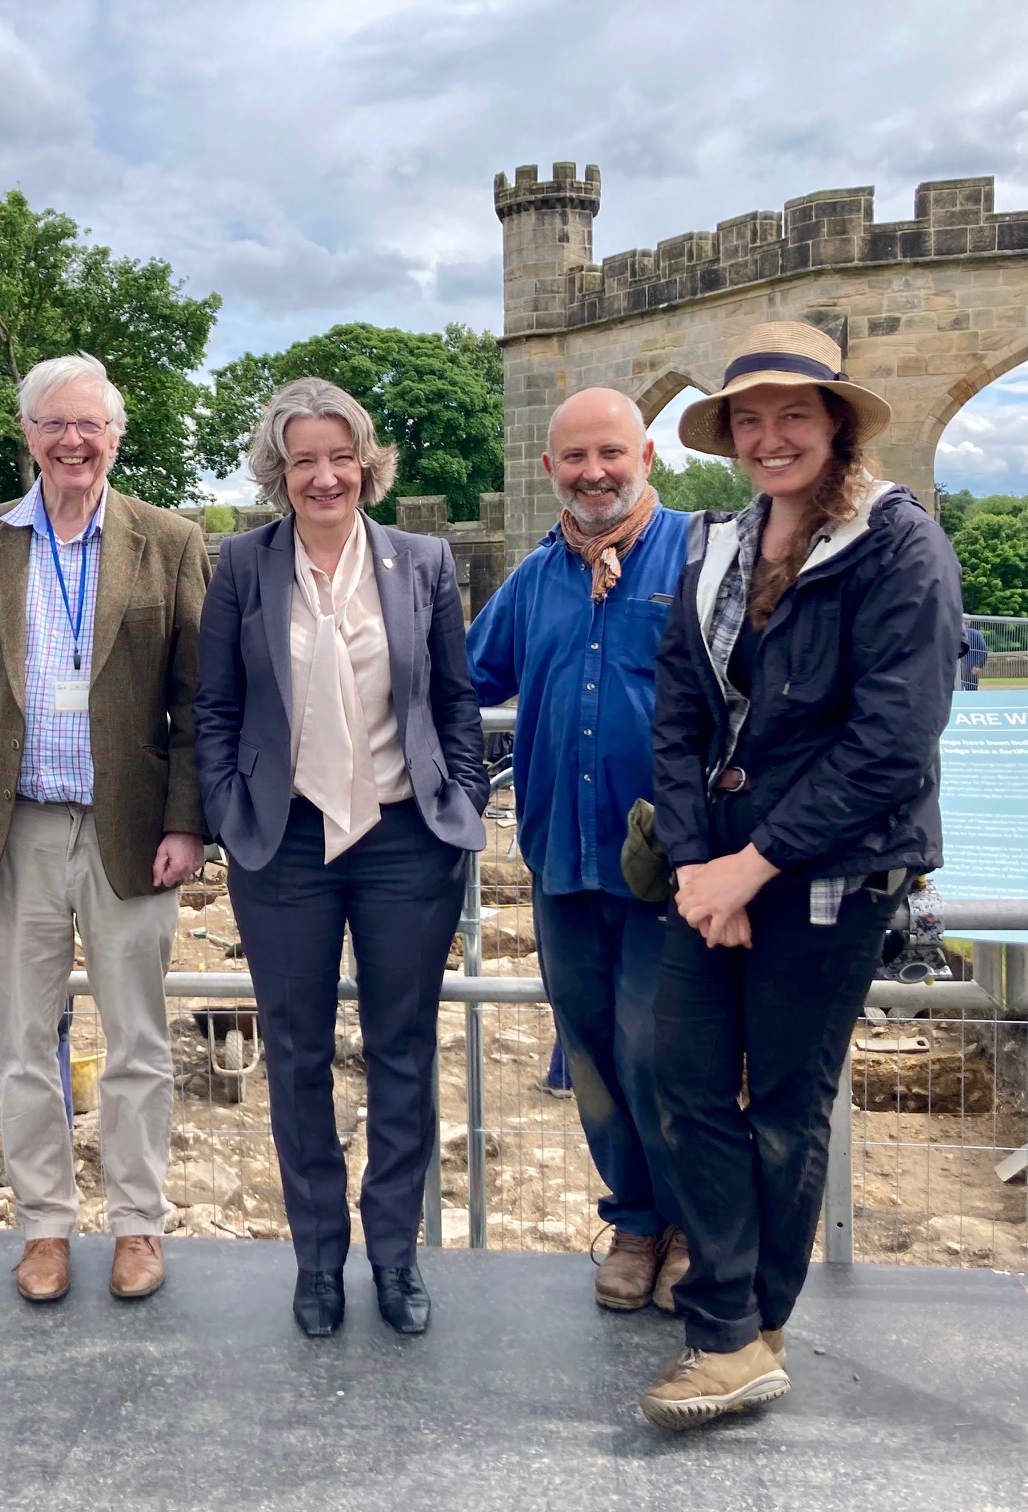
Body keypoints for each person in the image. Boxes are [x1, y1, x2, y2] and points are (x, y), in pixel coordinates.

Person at [640, 321, 961, 1429]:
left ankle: (739, 1331)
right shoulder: (718, 547)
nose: (770, 436)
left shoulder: (895, 546)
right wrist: (697, 866)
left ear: (834, 424)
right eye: (750, 419)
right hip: (717, 872)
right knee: (679, 1082)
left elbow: (892, 740)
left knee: (783, 1104)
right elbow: (679, 713)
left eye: (793, 414)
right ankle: (733, 1315)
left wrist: (751, 867)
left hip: (825, 879)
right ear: (729, 435)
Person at [196, 377, 487, 1337]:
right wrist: (230, 809)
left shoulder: (422, 561)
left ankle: (395, 1255)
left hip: (405, 839)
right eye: (302, 460)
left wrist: (465, 799)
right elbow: (216, 707)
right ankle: (317, 1258)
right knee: (298, 1054)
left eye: (340, 456)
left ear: (367, 462)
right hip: (284, 844)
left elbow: (454, 696)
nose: (324, 476)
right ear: (278, 474)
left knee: (404, 1050)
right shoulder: (240, 564)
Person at [0, 352, 207, 1305]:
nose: (73, 441)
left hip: (131, 828)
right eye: (54, 424)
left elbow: (193, 697)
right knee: (22, 1044)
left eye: (90, 425)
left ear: (116, 437)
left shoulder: (167, 541)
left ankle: (137, 1224)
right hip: (13, 829)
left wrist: (188, 822)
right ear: (29, 436)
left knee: (136, 1040)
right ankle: (44, 1226)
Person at [467, 387, 692, 1315]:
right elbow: (457, 681)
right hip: (563, 862)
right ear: (550, 468)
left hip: (673, 873)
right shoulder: (533, 582)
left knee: (667, 1055)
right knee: (594, 1055)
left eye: (609, 453)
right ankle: (637, 1222)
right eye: (573, 459)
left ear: (646, 451)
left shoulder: (700, 554)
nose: (593, 473)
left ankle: (695, 1230)